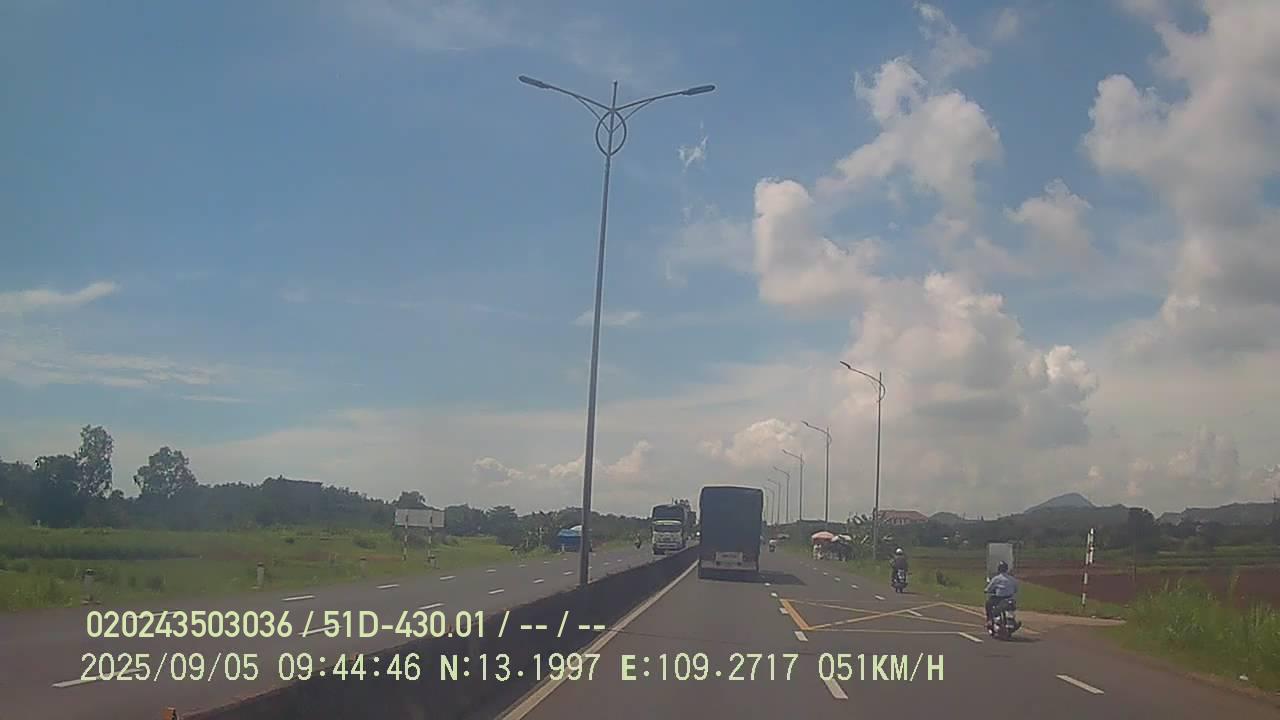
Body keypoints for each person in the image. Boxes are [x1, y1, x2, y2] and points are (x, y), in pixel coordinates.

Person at [984, 561, 1019, 628]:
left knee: (988, 604)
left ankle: (989, 620)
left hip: (999, 599)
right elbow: (1016, 589)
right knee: (1011, 608)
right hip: (1010, 599)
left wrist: (986, 590)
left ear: (999, 569)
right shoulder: (1012, 579)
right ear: (1006, 569)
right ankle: (1012, 621)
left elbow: (989, 588)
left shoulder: (997, 578)